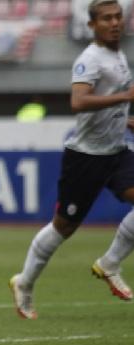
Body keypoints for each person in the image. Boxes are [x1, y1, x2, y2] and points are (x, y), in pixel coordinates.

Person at [9, 0, 134, 320]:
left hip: (117, 150)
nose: (114, 22)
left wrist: (127, 120)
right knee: (64, 227)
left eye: (117, 16)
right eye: (106, 18)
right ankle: (24, 282)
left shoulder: (118, 56)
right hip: (86, 157)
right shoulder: (90, 59)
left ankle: (110, 263)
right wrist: (124, 98)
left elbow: (113, 107)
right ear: (92, 25)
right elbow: (78, 101)